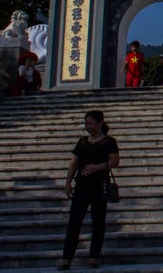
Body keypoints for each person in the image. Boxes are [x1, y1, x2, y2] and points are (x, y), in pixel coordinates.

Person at [59, 110, 120, 270]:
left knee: (98, 222)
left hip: (99, 185)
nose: (89, 127)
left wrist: (97, 167)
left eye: (91, 123)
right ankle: (66, 257)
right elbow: (74, 163)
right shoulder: (82, 142)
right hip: (81, 186)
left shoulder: (109, 142)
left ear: (100, 123)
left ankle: (94, 256)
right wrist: (67, 182)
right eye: (86, 124)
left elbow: (114, 162)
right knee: (74, 222)